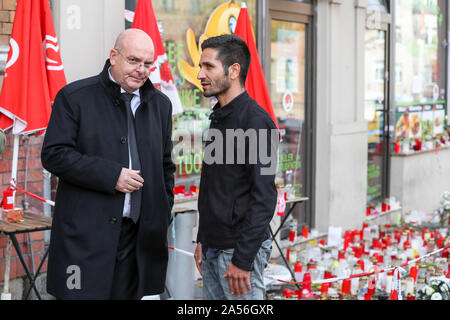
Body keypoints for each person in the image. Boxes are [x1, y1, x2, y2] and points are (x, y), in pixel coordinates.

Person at [41, 28, 175, 300]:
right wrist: (111, 175)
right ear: (114, 57)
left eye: (148, 64)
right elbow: (54, 154)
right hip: (84, 239)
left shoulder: (161, 105)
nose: (141, 70)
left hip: (137, 240)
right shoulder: (75, 97)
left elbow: (165, 166)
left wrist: (162, 212)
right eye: (134, 60)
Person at [194, 34, 278, 300]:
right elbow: (213, 187)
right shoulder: (218, 117)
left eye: (209, 66)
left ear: (233, 71)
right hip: (212, 247)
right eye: (200, 65)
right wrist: (202, 239)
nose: (200, 74)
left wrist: (243, 259)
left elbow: (264, 198)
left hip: (238, 252)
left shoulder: (257, 121)